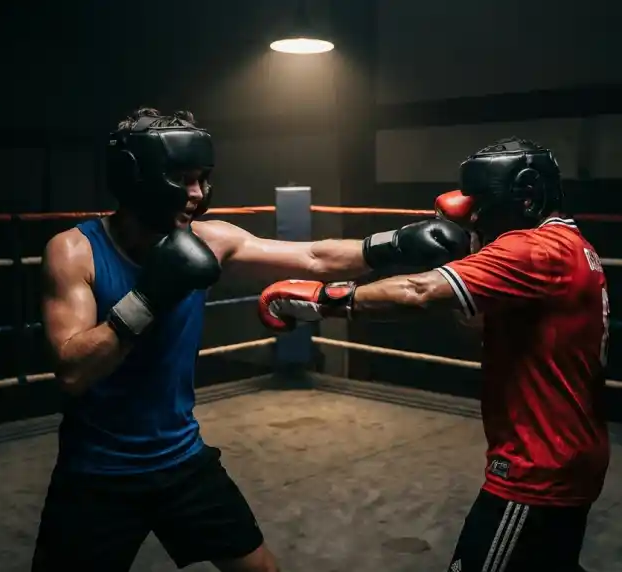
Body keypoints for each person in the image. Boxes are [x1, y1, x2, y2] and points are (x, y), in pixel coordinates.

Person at [33, 107, 471, 572]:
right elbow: (73, 370)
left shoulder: (211, 239)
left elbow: (315, 257)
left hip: (181, 459)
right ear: (135, 178)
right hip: (97, 473)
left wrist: (394, 245)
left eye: (203, 179)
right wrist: (149, 296)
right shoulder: (74, 251)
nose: (197, 195)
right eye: (183, 179)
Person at [257, 137, 610, 572]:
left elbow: (417, 291)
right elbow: (475, 325)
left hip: (537, 467)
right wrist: (473, 252)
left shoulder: (533, 250)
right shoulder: (571, 246)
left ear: (524, 194)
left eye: (482, 204)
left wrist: (319, 299)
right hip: (570, 451)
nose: (475, 214)